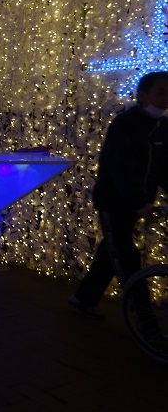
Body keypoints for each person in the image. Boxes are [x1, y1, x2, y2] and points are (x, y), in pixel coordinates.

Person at [69, 71, 168, 319]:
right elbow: (121, 168)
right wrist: (140, 203)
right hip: (114, 203)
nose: (166, 98)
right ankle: (145, 324)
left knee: (111, 252)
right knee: (127, 259)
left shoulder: (162, 126)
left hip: (136, 203)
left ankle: (83, 297)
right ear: (142, 96)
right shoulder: (125, 124)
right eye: (161, 92)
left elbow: (163, 167)